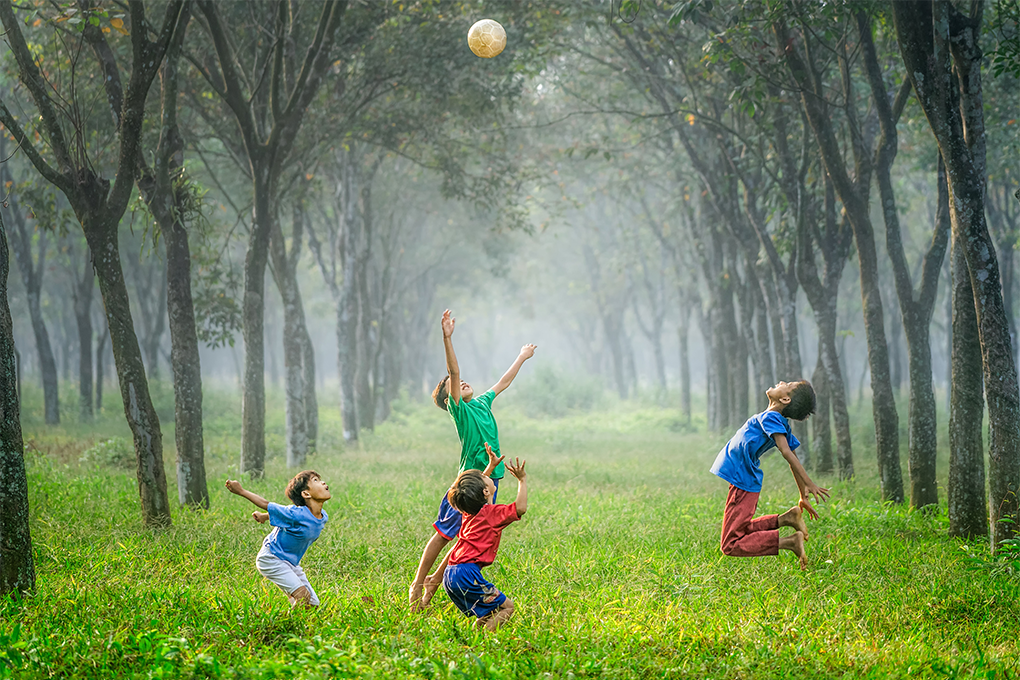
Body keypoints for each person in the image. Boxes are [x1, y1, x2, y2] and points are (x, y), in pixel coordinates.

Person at [408, 309, 536, 611]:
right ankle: (418, 583)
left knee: (470, 534)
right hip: (469, 481)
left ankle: (436, 582)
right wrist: (447, 337)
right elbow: (453, 372)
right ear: (448, 399)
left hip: (492, 478)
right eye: (453, 385)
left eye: (463, 381)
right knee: (443, 533)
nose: (461, 382)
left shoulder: (481, 402)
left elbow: (503, 382)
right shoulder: (460, 411)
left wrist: (521, 357)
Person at [710, 380, 829, 569]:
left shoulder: (772, 417)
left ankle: (789, 542)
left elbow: (787, 452)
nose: (781, 381)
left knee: (730, 544)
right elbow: (792, 458)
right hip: (743, 479)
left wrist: (809, 483)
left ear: (785, 398)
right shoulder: (776, 420)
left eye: (787, 384)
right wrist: (802, 495)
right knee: (740, 530)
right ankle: (786, 519)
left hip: (743, 480)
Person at [442, 453, 528, 631]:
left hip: (450, 574)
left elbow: (477, 490)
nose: (486, 476)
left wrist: (490, 466)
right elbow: (520, 508)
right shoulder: (493, 515)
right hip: (467, 574)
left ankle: (474, 637)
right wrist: (522, 480)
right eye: (484, 477)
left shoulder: (468, 512)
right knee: (507, 607)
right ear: (485, 491)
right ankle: (485, 642)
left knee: (489, 611)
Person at [225, 470, 331, 607]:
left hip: (290, 563)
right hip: (272, 558)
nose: (323, 482)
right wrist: (241, 491)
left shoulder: (323, 516)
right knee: (303, 597)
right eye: (315, 480)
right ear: (306, 494)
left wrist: (264, 516)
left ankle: (296, 614)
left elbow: (286, 516)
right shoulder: (296, 513)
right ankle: (284, 625)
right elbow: (266, 504)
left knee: (312, 604)